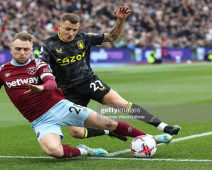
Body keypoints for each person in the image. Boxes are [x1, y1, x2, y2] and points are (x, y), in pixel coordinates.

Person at [0, 32, 172, 159]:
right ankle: (84, 151)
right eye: (18, 49)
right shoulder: (0, 72)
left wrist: (41, 88)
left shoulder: (38, 65)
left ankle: (150, 137)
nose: (22, 52)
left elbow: (51, 82)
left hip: (59, 106)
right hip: (39, 120)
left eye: (26, 49)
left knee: (108, 123)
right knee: (52, 151)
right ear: (11, 50)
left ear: (31, 50)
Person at [39, 5, 181, 140]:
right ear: (60, 26)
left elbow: (111, 37)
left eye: (75, 30)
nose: (71, 33)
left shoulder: (83, 38)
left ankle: (163, 127)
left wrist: (121, 19)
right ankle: (108, 131)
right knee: (75, 132)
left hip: (89, 82)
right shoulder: (49, 44)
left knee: (122, 104)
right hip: (68, 91)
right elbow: (41, 64)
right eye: (68, 29)